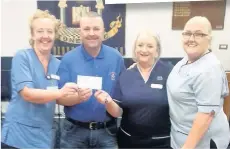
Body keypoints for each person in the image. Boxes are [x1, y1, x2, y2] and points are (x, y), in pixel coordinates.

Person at [1, 9, 78, 149]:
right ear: (32, 34)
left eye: (50, 31)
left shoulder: (58, 64)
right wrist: (61, 92)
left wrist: (80, 97)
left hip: (43, 137)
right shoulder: (22, 57)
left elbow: (60, 99)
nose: (45, 36)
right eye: (40, 31)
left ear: (55, 35)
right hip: (18, 136)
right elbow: (27, 94)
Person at [57, 11, 125, 148]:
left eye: (96, 29)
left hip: (107, 132)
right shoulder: (68, 59)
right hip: (74, 133)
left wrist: (108, 102)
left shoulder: (116, 58)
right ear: (80, 32)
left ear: (103, 31)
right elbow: (59, 98)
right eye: (86, 29)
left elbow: (122, 101)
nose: (91, 33)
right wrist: (77, 98)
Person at [94, 30, 173, 148]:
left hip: (161, 143)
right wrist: (107, 101)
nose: (144, 50)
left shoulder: (169, 72)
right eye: (140, 45)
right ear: (135, 50)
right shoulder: (126, 75)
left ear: (157, 51)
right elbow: (117, 112)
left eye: (150, 46)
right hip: (129, 142)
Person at [166, 16, 230, 149]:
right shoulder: (186, 60)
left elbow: (205, 117)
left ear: (209, 39)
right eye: (187, 33)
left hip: (200, 143)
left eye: (199, 34)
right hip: (181, 136)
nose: (191, 39)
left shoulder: (209, 69)